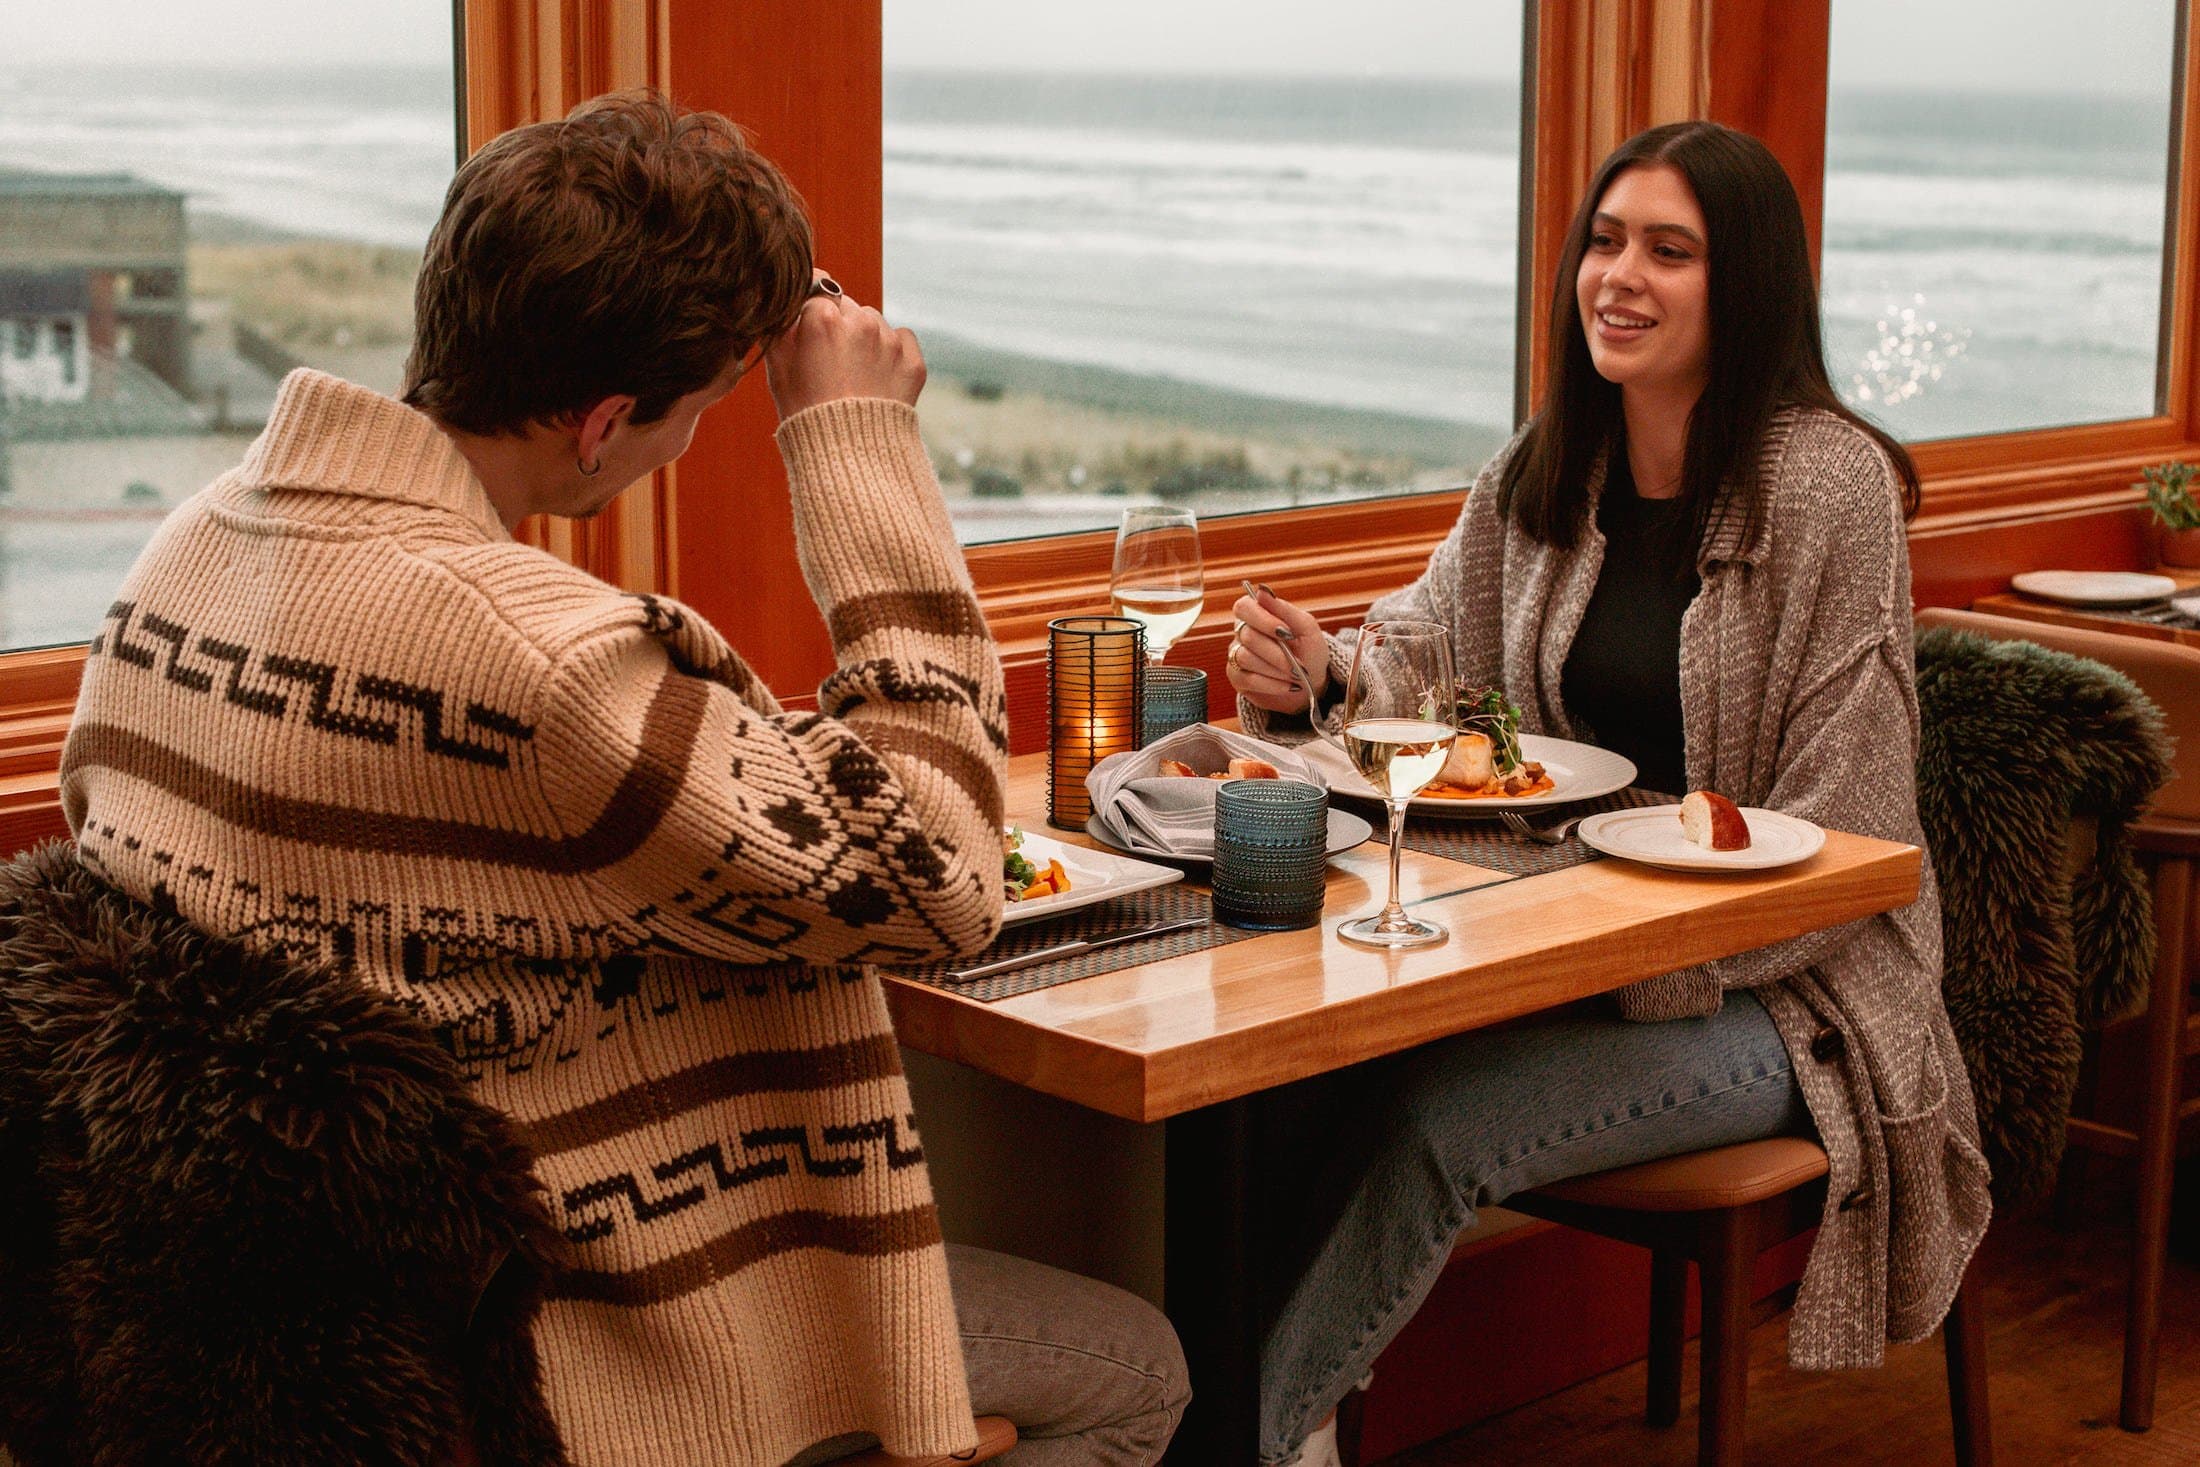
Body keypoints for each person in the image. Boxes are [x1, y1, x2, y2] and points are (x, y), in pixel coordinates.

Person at [59, 91, 1186, 1467]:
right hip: (568, 1332)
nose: (697, 437)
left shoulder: (186, 558)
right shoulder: (543, 670)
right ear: (601, 426)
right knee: (1134, 1366)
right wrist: (858, 451)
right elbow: (941, 884)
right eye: (700, 412)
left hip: (274, 1324)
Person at [1228, 120, 1990, 1467]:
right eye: (1605, 238)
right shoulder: (1550, 464)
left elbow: (1851, 843)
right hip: (1572, 958)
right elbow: (1411, 654)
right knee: (1272, 1091)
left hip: (1792, 1001)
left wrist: (1640, 970)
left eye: (1669, 251)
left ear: (1742, 284)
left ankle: (1244, 1444)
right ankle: (1280, 1434)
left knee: (1429, 1119)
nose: (1616, 274)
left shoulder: (1828, 486)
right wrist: (1315, 676)